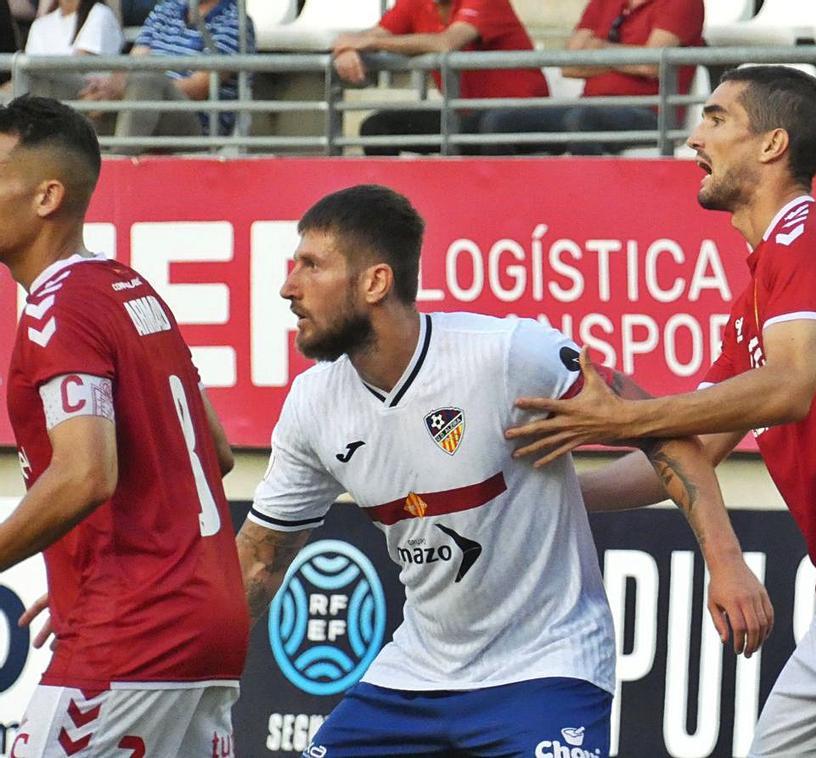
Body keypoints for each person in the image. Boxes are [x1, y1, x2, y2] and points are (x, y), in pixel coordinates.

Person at [505, 66, 816, 757]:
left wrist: (624, 419)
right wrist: (549, 498)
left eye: (714, 120)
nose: (692, 140)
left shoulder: (808, 235)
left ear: (771, 145)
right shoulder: (757, 299)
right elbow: (691, 454)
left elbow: (790, 385)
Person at [235, 184, 772, 756]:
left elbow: (664, 434)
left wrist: (727, 564)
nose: (288, 287)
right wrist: (189, 663)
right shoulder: (313, 403)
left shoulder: (509, 354)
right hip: (412, 679)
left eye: (311, 266)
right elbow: (262, 556)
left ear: (375, 282)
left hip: (545, 670)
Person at [0, 96, 247, 755]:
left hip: (132, 631)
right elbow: (216, 453)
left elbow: (86, 472)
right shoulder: (128, 288)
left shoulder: (59, 307)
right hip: (208, 630)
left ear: (47, 195)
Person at [486, 0, 705, 155]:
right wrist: (626, 58)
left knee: (582, 122)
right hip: (588, 106)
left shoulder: (682, 2)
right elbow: (568, 66)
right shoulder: (604, 2)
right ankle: (510, 205)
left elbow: (650, 64)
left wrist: (598, 49)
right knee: (499, 123)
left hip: (650, 114)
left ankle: (588, 206)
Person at [331, 0, 548, 156]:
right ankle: (390, 210)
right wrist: (347, 50)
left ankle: (500, 207)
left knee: (491, 127)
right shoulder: (413, 4)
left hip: (522, 114)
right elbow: (370, 36)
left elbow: (446, 43)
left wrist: (370, 43)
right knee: (377, 128)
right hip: (464, 117)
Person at [79, 0, 255, 152]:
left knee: (147, 79)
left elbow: (198, 88)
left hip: (195, 126)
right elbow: (133, 63)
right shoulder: (167, 8)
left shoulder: (234, 21)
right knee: (61, 78)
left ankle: (118, 168)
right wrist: (107, 88)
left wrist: (126, 91)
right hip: (139, 105)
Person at [23, 0, 124, 105]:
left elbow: (78, 64)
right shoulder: (40, 25)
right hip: (43, 97)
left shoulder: (100, 13)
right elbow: (28, 72)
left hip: (85, 96)